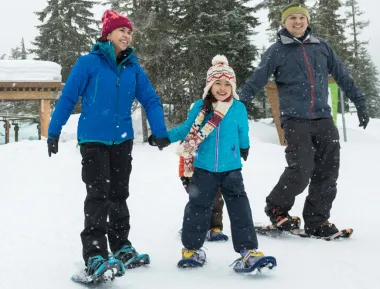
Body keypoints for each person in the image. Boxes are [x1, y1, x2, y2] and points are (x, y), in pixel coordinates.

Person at [46, 10, 170, 278]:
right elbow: (68, 98)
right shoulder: (88, 63)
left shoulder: (133, 67)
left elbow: (151, 100)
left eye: (129, 32)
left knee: (119, 195)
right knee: (99, 194)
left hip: (122, 140)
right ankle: (95, 254)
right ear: (108, 34)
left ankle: (121, 245)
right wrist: (53, 131)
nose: (126, 35)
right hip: (93, 140)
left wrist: (159, 131)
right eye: (121, 30)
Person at [239, 3, 369, 238]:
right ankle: (277, 209)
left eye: (302, 18)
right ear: (284, 23)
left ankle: (317, 220)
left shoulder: (322, 47)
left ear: (307, 21)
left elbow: (342, 75)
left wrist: (360, 102)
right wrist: (240, 104)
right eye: (292, 18)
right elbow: (257, 79)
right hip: (295, 119)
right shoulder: (276, 51)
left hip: (323, 118)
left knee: (328, 171)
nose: (298, 22)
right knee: (301, 169)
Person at [151, 55, 275, 271]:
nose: (222, 87)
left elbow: (242, 131)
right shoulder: (201, 107)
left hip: (232, 168)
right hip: (204, 168)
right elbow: (186, 130)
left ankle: (248, 250)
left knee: (239, 207)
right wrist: (164, 137)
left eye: (227, 83)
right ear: (209, 85)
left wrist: (244, 147)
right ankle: (191, 249)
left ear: (233, 86)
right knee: (197, 207)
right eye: (218, 83)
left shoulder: (238, 108)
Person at [179, 157, 228, 242]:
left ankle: (214, 228)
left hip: (215, 172)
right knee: (197, 203)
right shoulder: (188, 144)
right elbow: (183, 156)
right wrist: (183, 177)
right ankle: (192, 227)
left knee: (217, 200)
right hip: (194, 174)